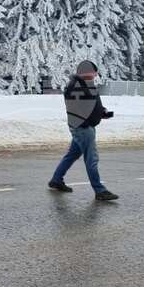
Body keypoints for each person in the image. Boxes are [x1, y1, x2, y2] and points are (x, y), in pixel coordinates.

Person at [48, 59, 118, 201]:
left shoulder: (74, 85)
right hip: (84, 128)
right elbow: (87, 106)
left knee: (72, 154)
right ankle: (100, 190)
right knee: (91, 159)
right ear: (88, 73)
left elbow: (87, 106)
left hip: (77, 125)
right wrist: (101, 113)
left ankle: (56, 180)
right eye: (93, 74)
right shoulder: (84, 86)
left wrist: (101, 111)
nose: (95, 77)